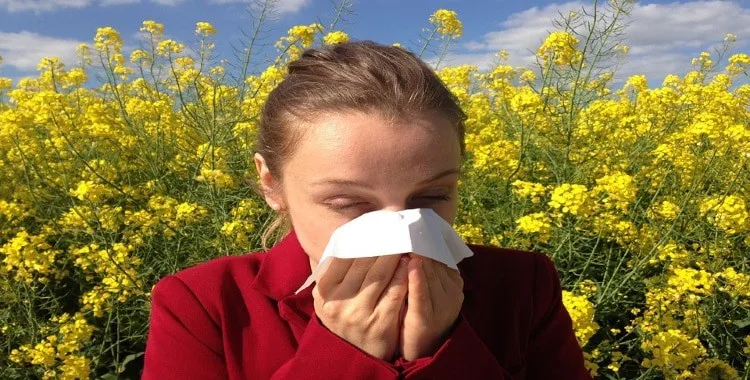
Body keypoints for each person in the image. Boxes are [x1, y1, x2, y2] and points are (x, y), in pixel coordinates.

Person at [141, 40, 591, 379]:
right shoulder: (205, 304)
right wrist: (341, 355)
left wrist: (440, 351)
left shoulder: (521, 286)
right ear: (271, 184)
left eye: (431, 198)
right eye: (348, 203)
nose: (400, 229)